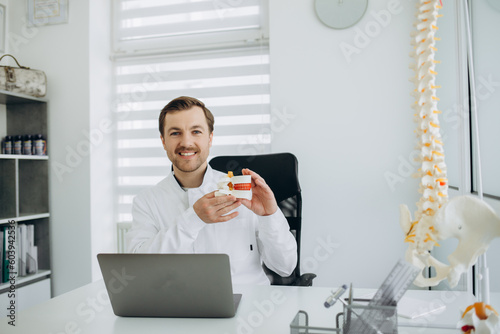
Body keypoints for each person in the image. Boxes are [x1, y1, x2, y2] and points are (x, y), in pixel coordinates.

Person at [126, 96, 297, 285]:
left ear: (210, 138)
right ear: (163, 141)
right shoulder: (147, 201)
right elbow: (140, 268)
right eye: (175, 133)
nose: (186, 142)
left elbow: (285, 266)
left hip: (248, 305)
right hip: (180, 307)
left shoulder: (242, 190)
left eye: (196, 131)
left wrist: (269, 216)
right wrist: (194, 218)